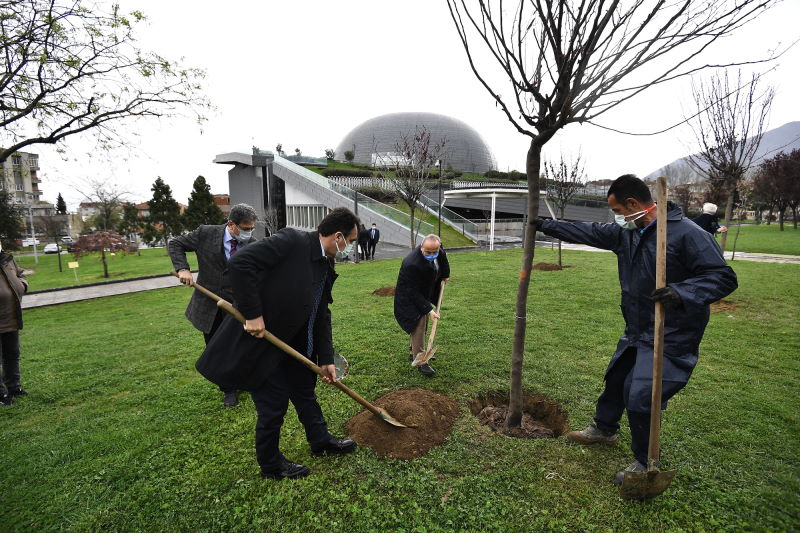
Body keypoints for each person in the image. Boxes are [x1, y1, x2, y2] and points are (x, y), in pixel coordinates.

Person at [530, 174, 737, 485]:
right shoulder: (627, 233)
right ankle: (604, 430)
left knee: (641, 395)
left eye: (617, 211)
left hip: (672, 332)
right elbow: (589, 231)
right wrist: (547, 225)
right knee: (616, 379)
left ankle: (644, 462)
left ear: (633, 204)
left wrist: (682, 292)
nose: (616, 218)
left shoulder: (686, 234)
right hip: (638, 327)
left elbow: (723, 277)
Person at [199, 207, 360, 480]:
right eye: (351, 241)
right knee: (273, 406)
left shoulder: (325, 263)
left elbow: (321, 312)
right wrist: (253, 314)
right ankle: (271, 464)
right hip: (264, 345)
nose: (351, 248)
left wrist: (326, 357)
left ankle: (320, 440)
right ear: (338, 236)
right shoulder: (292, 242)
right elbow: (241, 264)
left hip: (296, 345)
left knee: (305, 394)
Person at [169, 203, 258, 407]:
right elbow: (175, 243)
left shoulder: (253, 244)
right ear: (231, 224)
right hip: (208, 305)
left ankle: (243, 380)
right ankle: (228, 388)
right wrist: (182, 269)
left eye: (251, 228)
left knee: (240, 345)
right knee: (216, 347)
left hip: (238, 305)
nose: (249, 233)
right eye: (245, 228)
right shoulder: (206, 233)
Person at [394, 234, 450, 376]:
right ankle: (420, 360)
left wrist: (445, 275)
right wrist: (429, 309)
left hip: (424, 290)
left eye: (434, 252)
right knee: (418, 323)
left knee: (422, 321)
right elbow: (413, 291)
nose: (432, 255)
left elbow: (443, 260)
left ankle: (413, 351)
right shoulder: (411, 264)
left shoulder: (438, 250)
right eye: (428, 252)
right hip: (408, 295)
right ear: (421, 247)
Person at [0, 242, 29, 406]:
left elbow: (20, 274)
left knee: (12, 354)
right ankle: (0, 395)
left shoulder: (7, 258)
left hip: (10, 316)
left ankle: (13, 388)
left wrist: (22, 285)